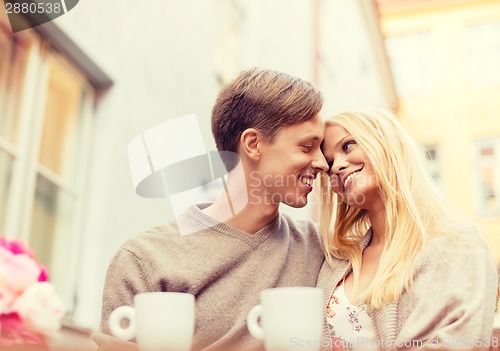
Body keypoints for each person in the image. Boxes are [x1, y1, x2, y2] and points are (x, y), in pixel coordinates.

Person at [92, 67, 329, 351]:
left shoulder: (320, 248)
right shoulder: (144, 258)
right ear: (253, 144)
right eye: (306, 147)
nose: (323, 164)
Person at [317, 110, 498, 350]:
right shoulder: (337, 261)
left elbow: (462, 341)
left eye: (348, 146)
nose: (337, 166)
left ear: (387, 144)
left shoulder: (458, 243)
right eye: (329, 164)